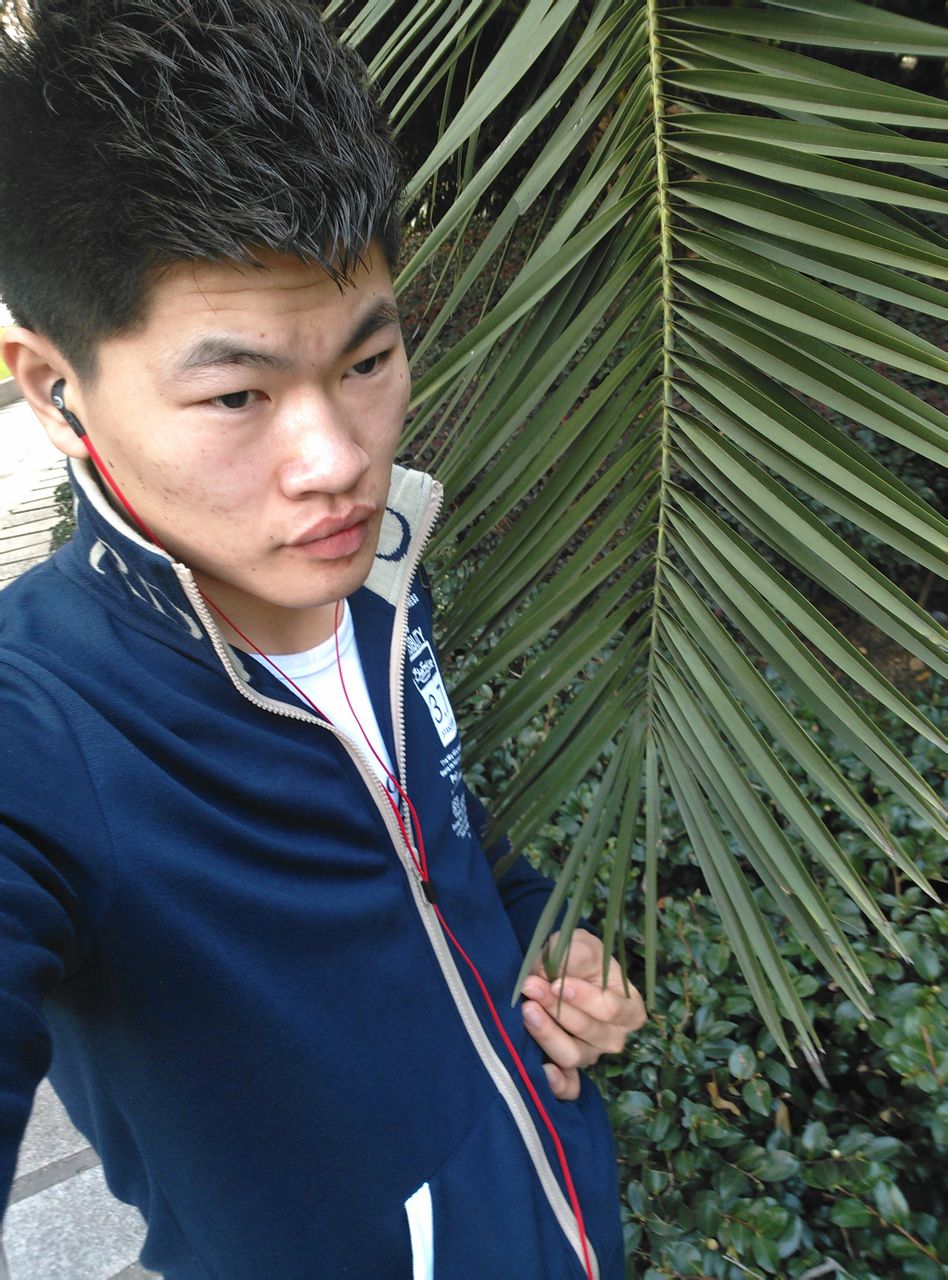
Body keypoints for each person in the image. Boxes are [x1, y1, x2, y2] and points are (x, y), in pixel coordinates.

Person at [0, 2, 645, 1276]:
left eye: (367, 359)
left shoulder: (380, 579)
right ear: (56, 390)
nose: (339, 459)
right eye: (237, 393)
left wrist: (543, 941)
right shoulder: (46, 729)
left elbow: (443, 837)